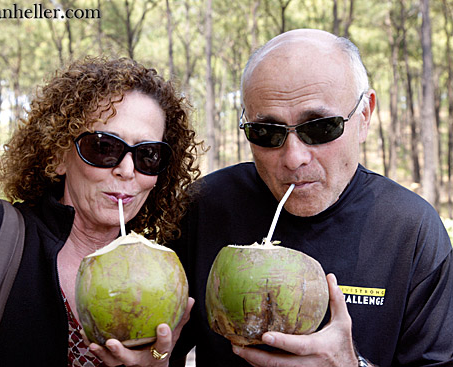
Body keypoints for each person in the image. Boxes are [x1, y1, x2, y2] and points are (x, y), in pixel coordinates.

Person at [168, 29, 453, 367]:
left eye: (319, 128)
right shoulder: (204, 207)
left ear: (364, 116)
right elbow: (164, 350)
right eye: (267, 132)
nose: (293, 158)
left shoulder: (410, 229)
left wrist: (351, 364)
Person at [0, 56, 200, 367]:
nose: (127, 170)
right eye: (104, 147)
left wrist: (158, 362)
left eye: (148, 155)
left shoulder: (160, 276)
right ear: (59, 155)